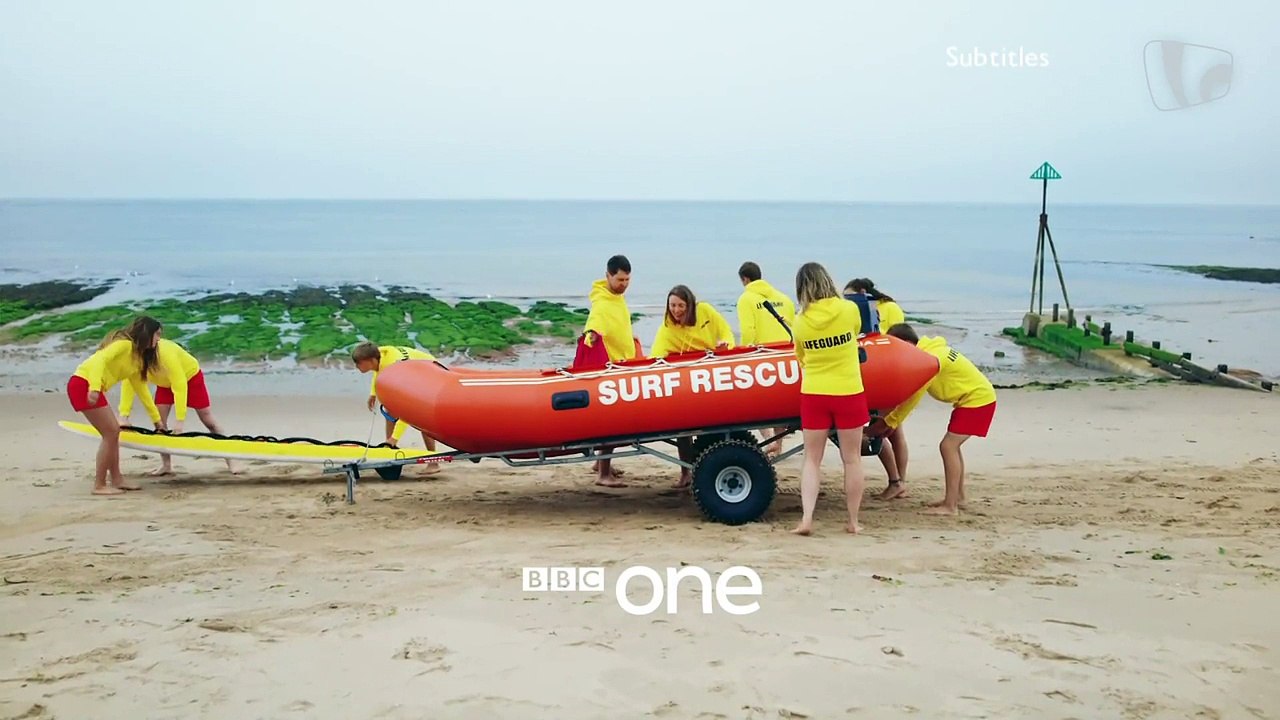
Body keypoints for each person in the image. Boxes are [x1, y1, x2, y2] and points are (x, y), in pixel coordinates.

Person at [867, 323, 997, 516]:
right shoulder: (932, 351)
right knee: (952, 447)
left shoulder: (929, 359)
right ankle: (958, 496)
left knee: (948, 447)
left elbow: (914, 396)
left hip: (977, 400)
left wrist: (890, 422)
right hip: (972, 399)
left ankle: (950, 506)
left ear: (908, 343)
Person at [790, 262, 867, 535]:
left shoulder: (799, 321)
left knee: (812, 459)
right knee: (852, 459)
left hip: (814, 392)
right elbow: (857, 332)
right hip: (848, 390)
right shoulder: (849, 310)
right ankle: (853, 521)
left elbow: (801, 358)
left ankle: (807, 518)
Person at [118, 327, 241, 476]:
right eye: (156, 334)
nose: (159, 338)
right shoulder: (134, 354)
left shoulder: (166, 352)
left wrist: (180, 420)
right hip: (164, 384)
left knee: (208, 420)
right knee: (160, 424)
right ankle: (166, 466)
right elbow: (129, 383)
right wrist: (124, 415)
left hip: (190, 378)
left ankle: (231, 462)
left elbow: (179, 385)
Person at [66, 319, 166, 495]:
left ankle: (117, 479)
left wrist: (157, 420)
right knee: (111, 433)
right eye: (157, 334)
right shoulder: (124, 345)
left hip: (91, 387)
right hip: (83, 385)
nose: (159, 339)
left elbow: (141, 390)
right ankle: (99, 485)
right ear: (146, 333)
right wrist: (95, 388)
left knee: (113, 433)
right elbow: (100, 358)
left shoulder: (137, 360)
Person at [648, 285, 735, 488]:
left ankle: (713, 466)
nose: (676, 310)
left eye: (681, 305)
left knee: (716, 426)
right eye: (672, 305)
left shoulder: (705, 311)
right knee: (683, 429)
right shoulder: (667, 328)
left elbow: (726, 332)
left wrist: (725, 345)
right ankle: (686, 472)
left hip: (711, 376)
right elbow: (655, 357)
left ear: (690, 305)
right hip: (686, 384)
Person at [844, 278, 909, 499]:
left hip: (886, 375)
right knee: (890, 431)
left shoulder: (886, 308)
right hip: (880, 374)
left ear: (861, 293)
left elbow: (898, 338)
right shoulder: (876, 309)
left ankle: (898, 480)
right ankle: (898, 481)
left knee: (889, 432)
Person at [581, 255, 641, 487]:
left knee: (614, 423)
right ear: (608, 276)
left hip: (623, 363)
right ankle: (603, 475)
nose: (624, 284)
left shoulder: (616, 297)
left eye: (627, 279)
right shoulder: (604, 302)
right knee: (611, 424)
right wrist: (592, 335)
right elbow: (594, 325)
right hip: (610, 369)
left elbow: (617, 324)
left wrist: (630, 338)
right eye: (619, 280)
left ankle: (600, 463)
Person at [736, 261, 796, 457]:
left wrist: (744, 354)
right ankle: (778, 446)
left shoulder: (747, 299)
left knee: (757, 407)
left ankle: (770, 442)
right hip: (786, 356)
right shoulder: (784, 298)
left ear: (744, 279)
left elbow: (748, 330)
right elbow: (794, 327)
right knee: (780, 406)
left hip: (762, 358)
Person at [351, 341, 441, 473]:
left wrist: (395, 437)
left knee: (421, 420)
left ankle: (434, 463)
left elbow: (406, 410)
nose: (356, 366)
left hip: (432, 373)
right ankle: (390, 450)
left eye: (358, 363)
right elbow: (378, 370)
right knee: (389, 410)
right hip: (414, 373)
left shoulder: (393, 369)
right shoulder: (379, 355)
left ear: (370, 360)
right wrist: (373, 393)